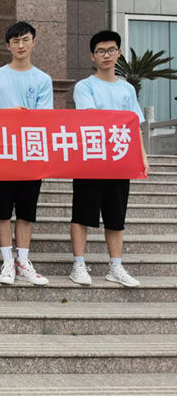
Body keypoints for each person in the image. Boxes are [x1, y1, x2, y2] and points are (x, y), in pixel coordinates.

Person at [0, 21, 52, 286]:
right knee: (4, 210)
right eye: (15, 41)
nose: (21, 45)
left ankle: (23, 261)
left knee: (27, 212)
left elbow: (44, 119)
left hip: (31, 153)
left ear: (33, 42)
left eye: (25, 40)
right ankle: (7, 261)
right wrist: (7, 114)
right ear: (7, 46)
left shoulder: (43, 79)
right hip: (3, 153)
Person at [70, 30, 149, 288]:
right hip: (91, 159)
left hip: (119, 160)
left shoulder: (127, 89)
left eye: (111, 50)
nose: (106, 55)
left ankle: (116, 267)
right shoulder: (85, 86)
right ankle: (79, 264)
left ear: (119, 53)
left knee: (116, 217)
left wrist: (142, 155)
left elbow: (134, 126)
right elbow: (92, 119)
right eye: (101, 51)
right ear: (92, 56)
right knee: (83, 214)